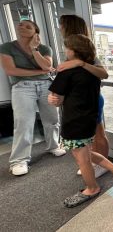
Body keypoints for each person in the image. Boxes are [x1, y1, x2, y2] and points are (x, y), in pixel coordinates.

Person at [48, 34, 113, 207]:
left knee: (81, 158)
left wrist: (53, 99)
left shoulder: (66, 71)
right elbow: (104, 74)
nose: (65, 51)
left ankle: (92, 188)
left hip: (74, 122)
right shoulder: (92, 69)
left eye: (67, 48)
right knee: (85, 153)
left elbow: (57, 99)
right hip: (88, 120)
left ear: (73, 51)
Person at [0, 20, 66, 176]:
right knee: (23, 122)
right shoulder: (7, 47)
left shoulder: (43, 48)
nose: (21, 27)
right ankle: (19, 160)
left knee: (52, 118)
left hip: (45, 85)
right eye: (20, 25)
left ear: (36, 32)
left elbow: (46, 66)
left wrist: (33, 49)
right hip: (22, 87)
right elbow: (11, 71)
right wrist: (41, 71)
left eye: (28, 26)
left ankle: (54, 146)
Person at [52, 14, 110, 178]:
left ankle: (102, 165)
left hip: (91, 101)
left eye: (61, 25)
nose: (59, 28)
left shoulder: (85, 52)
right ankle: (93, 164)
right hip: (79, 102)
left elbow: (104, 74)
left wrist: (81, 63)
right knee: (87, 138)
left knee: (98, 133)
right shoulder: (72, 51)